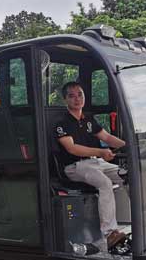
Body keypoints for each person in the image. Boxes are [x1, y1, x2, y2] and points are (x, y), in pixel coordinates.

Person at [54, 81, 126, 250]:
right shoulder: (61, 123)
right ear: (65, 100)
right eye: (71, 96)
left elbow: (107, 138)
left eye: (80, 94)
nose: (77, 99)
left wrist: (129, 145)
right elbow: (72, 148)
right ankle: (110, 233)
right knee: (105, 183)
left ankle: (138, 221)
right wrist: (101, 152)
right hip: (75, 167)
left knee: (128, 175)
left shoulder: (88, 119)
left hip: (95, 162)